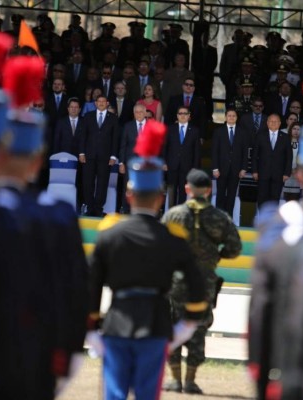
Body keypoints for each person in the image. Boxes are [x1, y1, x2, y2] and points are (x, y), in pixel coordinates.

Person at [87, 120, 207, 399]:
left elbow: (90, 284)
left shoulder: (109, 233)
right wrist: (187, 324)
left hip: (117, 322)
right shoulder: (173, 237)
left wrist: (91, 326)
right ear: (161, 198)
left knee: (114, 393)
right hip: (156, 324)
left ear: (128, 195)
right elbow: (196, 283)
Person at [162, 169, 242, 394]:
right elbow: (235, 248)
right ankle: (190, 380)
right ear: (209, 190)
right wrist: (217, 256)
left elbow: (160, 246)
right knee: (198, 326)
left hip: (176, 281)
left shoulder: (173, 215)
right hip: (205, 281)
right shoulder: (219, 217)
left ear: (187, 189)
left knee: (173, 325)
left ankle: (175, 379)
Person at [78, 95, 119, 216]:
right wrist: (81, 152)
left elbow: (115, 138)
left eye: (103, 101)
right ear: (95, 103)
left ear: (107, 103)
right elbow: (83, 136)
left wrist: (113, 156)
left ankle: (98, 208)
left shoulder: (113, 118)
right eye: (99, 101)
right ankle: (90, 207)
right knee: (87, 182)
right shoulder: (88, 116)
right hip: (89, 155)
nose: (101, 103)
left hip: (105, 157)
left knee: (102, 183)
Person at [211, 109, 249, 216]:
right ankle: (218, 218)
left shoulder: (243, 132)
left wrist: (244, 168)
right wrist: (215, 168)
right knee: (220, 194)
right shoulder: (218, 131)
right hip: (221, 169)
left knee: (232, 195)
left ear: (237, 118)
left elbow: (245, 152)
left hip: (236, 170)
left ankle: (228, 219)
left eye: (234, 116)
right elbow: (215, 151)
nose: (231, 117)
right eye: (229, 115)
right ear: (225, 117)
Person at [162, 106, 201, 208]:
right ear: (177, 116)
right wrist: (164, 162)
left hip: (187, 166)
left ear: (189, 116)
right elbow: (164, 147)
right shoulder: (170, 129)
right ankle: (171, 214)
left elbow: (197, 151)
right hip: (171, 165)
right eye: (180, 113)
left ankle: (180, 215)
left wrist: (195, 167)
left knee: (184, 192)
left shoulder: (195, 131)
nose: (182, 116)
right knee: (171, 191)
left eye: (185, 113)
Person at [251, 114, 292, 208]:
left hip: (279, 174)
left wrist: (287, 173)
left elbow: (289, 157)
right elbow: (254, 155)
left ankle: (272, 221)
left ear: (280, 123)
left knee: (275, 199)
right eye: (271, 121)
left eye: (276, 121)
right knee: (262, 198)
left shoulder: (285, 137)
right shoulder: (260, 136)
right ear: (267, 123)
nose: (273, 123)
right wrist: (254, 171)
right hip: (262, 173)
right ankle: (261, 220)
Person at [118, 104, 147, 213]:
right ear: (133, 114)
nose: (138, 114)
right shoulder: (128, 126)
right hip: (130, 162)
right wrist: (121, 163)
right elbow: (123, 145)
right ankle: (126, 210)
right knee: (128, 188)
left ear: (145, 113)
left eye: (141, 112)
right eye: (136, 112)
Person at [282, 122, 302, 201]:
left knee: (296, 199)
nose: (296, 131)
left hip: (297, 175)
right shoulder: (284, 142)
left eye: (298, 129)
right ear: (290, 130)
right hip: (285, 174)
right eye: (294, 129)